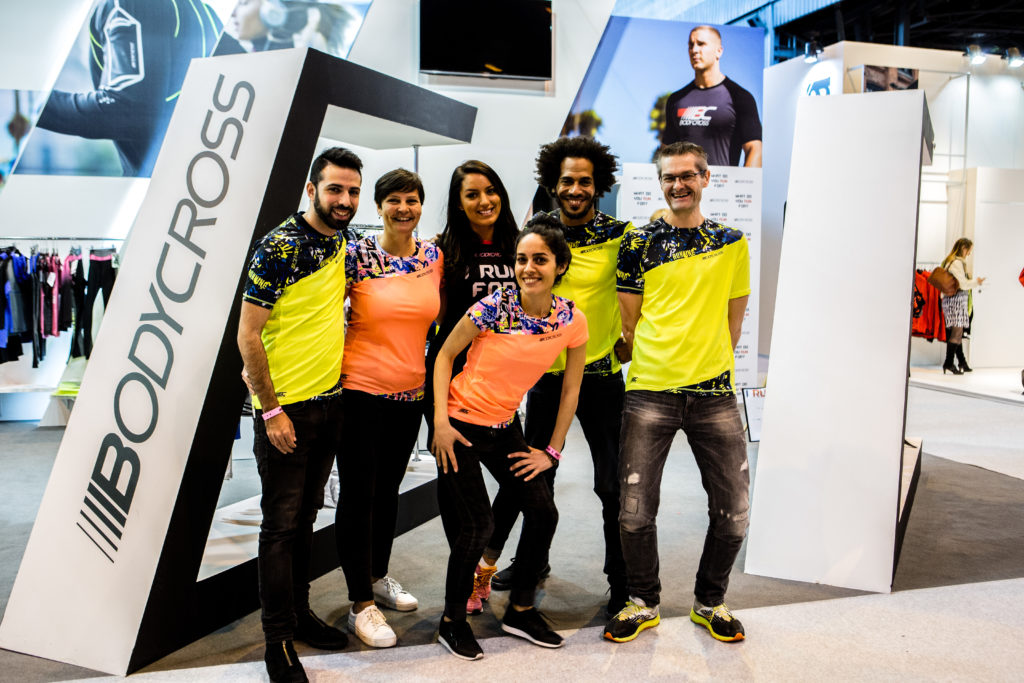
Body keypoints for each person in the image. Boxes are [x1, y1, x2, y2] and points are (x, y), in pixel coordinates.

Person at [604, 141, 750, 645]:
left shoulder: (732, 242)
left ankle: (710, 601)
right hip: (650, 389)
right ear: (660, 182)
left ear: (706, 178)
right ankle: (642, 602)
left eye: (688, 175)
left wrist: (708, 361)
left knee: (734, 514)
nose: (678, 184)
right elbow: (630, 323)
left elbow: (734, 322)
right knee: (634, 512)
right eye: (669, 177)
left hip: (715, 393)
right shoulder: (637, 243)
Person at [483, 137, 630, 616]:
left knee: (612, 486)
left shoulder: (621, 235)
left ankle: (621, 580)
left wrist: (629, 340)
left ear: (598, 184)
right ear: (553, 182)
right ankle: (532, 564)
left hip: (602, 377)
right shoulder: (538, 233)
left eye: (585, 181)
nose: (575, 189)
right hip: (547, 378)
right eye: (567, 180)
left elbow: (643, 291)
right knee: (535, 477)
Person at [432, 215, 588, 660]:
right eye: (521, 259)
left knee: (543, 513)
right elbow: (444, 356)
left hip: (504, 428)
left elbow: (571, 390)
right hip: (459, 425)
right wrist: (439, 423)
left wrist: (551, 451)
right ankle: (451, 623)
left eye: (540, 259)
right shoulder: (492, 307)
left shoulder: (571, 319)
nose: (528, 268)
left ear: (560, 265)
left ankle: (520, 611)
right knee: (478, 525)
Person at [237, 146, 362, 683]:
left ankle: (300, 613)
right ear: (312, 190)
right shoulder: (279, 246)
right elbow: (248, 334)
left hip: (330, 404)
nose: (345, 200)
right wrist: (271, 411)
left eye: (353, 191)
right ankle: (277, 642)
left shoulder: (344, 242)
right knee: (280, 528)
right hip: (286, 411)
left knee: (307, 518)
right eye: (335, 189)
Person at [336, 168, 442, 649]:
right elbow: (323, 313)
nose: (404, 208)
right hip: (360, 391)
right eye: (394, 200)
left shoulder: (433, 257)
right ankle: (360, 603)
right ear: (377, 207)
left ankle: (377, 576)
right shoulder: (356, 256)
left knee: (387, 492)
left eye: (412, 200)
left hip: (409, 395)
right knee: (359, 495)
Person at [425, 161, 519, 614]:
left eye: (490, 190)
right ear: (458, 204)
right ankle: (463, 578)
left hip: (501, 388)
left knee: (520, 482)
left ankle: (486, 562)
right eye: (472, 194)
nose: (484, 201)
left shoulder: (519, 247)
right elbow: (435, 318)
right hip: (452, 385)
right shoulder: (443, 252)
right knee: (455, 490)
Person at [34, 0, 223, 176]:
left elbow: (127, 110)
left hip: (160, 190)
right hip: (200, 185)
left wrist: (24, 104)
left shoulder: (132, 4)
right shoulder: (203, 12)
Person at [661, 25, 762, 168]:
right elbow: (666, 154)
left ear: (719, 51)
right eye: (691, 45)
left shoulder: (740, 97)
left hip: (723, 182)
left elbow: (755, 149)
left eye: (701, 44)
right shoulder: (676, 100)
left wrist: (744, 182)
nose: (694, 50)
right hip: (685, 182)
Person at [940, 237, 985, 374]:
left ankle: (961, 362)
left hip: (952, 301)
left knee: (956, 333)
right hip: (956, 301)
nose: (969, 253)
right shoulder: (957, 263)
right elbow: (963, 284)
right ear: (963, 248)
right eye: (969, 250)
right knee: (956, 333)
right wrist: (976, 282)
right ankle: (948, 363)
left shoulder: (950, 261)